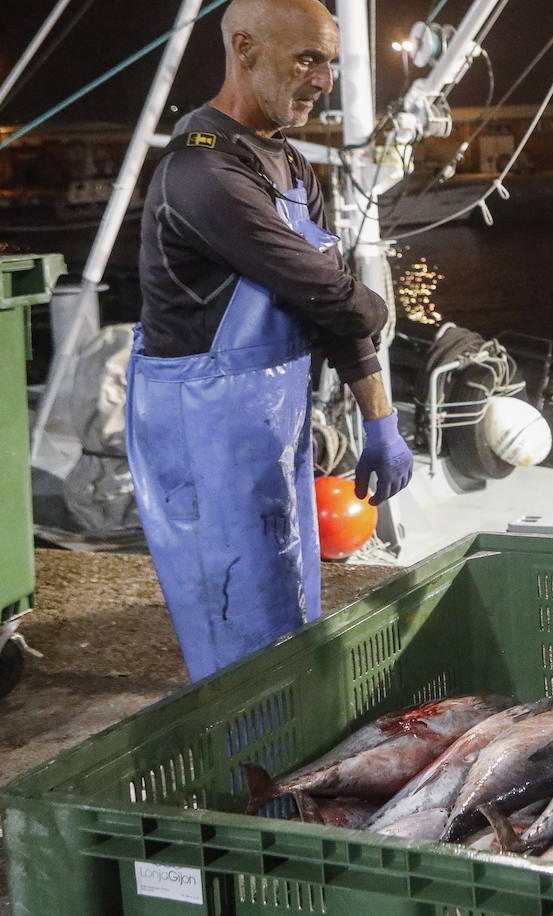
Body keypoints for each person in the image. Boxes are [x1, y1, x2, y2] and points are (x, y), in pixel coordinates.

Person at [127, 0, 412, 681]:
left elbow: (330, 310)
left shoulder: (290, 166)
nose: (324, 80)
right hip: (206, 434)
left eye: (332, 63)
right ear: (245, 49)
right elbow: (328, 288)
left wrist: (382, 421)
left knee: (288, 612)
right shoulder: (201, 168)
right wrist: (370, 304)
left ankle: (285, 762)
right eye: (308, 59)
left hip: (266, 429)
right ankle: (243, 772)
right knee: (236, 635)